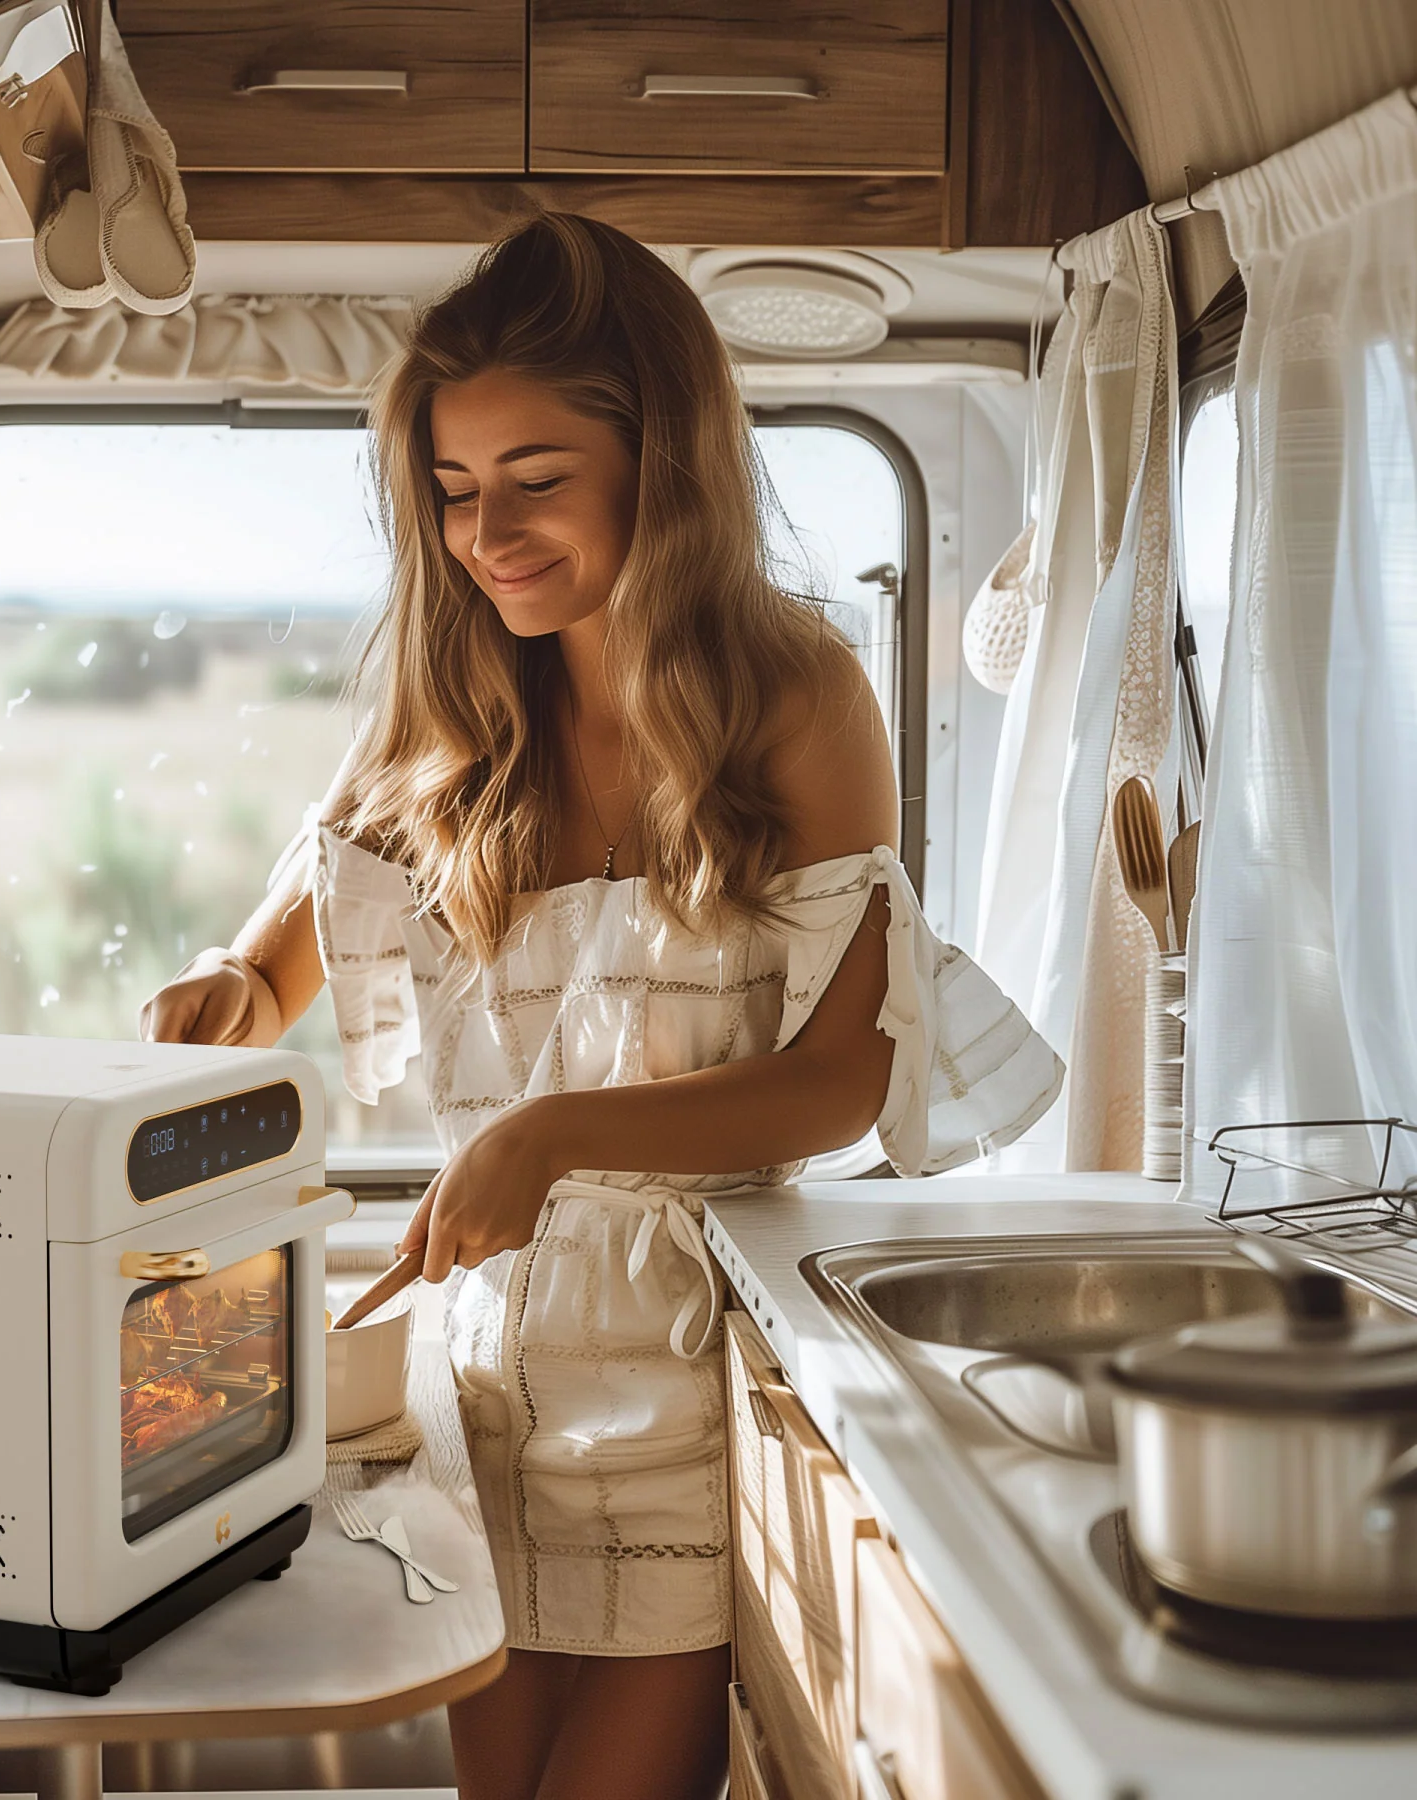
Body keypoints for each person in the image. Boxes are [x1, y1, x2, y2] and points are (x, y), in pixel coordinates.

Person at [141, 212, 1062, 1800]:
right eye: (449, 490)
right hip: (482, 1387)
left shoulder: (798, 698)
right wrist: (232, 981)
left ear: (666, 461)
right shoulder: (457, 709)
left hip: (696, 1379)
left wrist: (557, 1136)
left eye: (534, 480)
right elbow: (290, 934)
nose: (483, 532)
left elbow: (844, 1081)